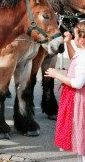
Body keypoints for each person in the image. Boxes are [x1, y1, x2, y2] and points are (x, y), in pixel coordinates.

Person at [44, 22, 85, 162]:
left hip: (80, 100)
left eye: (74, 36)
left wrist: (57, 75)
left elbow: (78, 83)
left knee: (81, 134)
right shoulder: (82, 53)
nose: (72, 38)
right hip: (77, 98)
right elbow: (75, 58)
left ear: (82, 40)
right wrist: (68, 43)